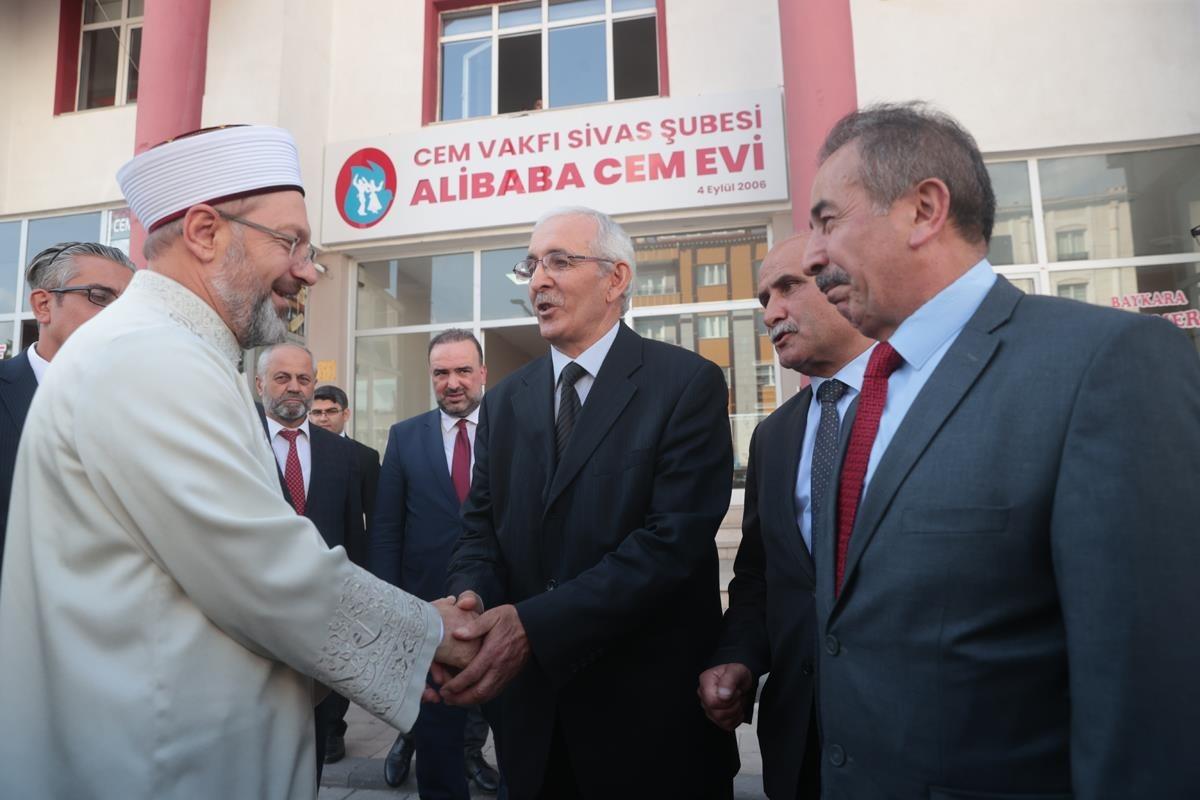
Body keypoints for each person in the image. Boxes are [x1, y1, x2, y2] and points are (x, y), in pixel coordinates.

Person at [0, 125, 476, 799]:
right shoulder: (145, 356)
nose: (308, 269)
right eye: (290, 242)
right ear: (204, 232)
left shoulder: (179, 350)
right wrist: (428, 636)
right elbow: (261, 568)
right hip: (160, 764)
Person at [801, 102, 1200, 797]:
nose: (811, 254)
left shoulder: (1104, 363)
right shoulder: (857, 392)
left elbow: (1147, 685)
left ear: (924, 209)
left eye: (828, 220)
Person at [441, 206, 739, 799]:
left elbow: (670, 545)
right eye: (531, 265)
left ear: (616, 279)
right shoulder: (504, 401)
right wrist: (471, 598)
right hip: (532, 725)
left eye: (559, 261)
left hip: (646, 728)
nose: (538, 280)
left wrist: (533, 625)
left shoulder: (686, 385)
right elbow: (480, 527)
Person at [697, 234, 873, 800]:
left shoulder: (923, 404)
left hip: (910, 741)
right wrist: (738, 657)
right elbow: (760, 576)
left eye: (788, 287)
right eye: (763, 299)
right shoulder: (773, 437)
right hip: (798, 744)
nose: (771, 312)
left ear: (843, 284)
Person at [371, 328, 501, 797]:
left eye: (464, 370)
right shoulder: (405, 437)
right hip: (426, 610)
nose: (453, 382)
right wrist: (388, 607)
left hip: (499, 604)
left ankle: (475, 757)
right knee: (437, 729)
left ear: (482, 373)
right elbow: (387, 529)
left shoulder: (513, 431)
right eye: (441, 372)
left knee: (503, 718)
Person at [255, 344, 366, 771]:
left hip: (324, 622)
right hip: (258, 617)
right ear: (260, 383)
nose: (294, 388)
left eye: (303, 379)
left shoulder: (341, 453)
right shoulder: (236, 442)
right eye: (282, 378)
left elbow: (353, 539)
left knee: (314, 749)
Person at [0, 242, 134, 577]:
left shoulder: (147, 406)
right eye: (99, 296)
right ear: (43, 305)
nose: (119, 314)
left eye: (129, 304)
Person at [310, 383, 381, 537]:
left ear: (346, 414)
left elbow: (376, 516)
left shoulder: (366, 458)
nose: (323, 418)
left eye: (331, 411)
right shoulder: (298, 452)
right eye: (316, 412)